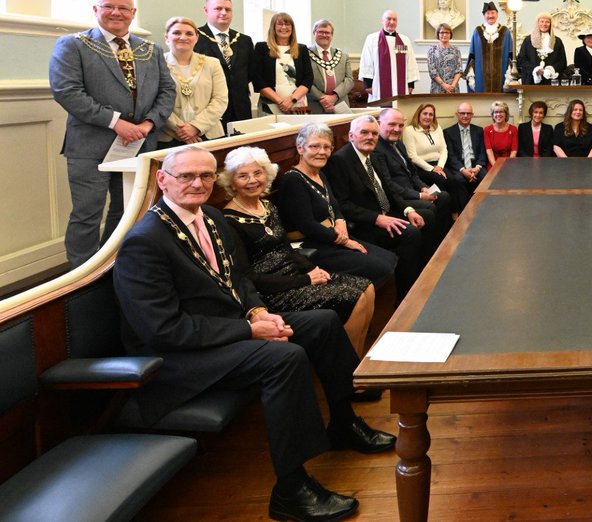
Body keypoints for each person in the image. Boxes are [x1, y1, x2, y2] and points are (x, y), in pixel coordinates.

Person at [113, 146, 394, 522]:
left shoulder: (210, 217)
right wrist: (248, 328)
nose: (198, 183)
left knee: (323, 321)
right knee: (284, 357)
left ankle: (344, 422)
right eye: (186, 176)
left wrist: (258, 310)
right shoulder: (145, 240)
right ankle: (291, 489)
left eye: (206, 176)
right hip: (177, 357)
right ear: (162, 179)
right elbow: (161, 329)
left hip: (227, 328)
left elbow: (239, 278)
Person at [49, 0, 175, 267]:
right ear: (96, 10)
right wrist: (116, 122)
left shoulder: (150, 49)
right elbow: (66, 91)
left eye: (123, 8)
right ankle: (81, 277)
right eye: (108, 7)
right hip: (90, 145)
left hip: (139, 143)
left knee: (128, 210)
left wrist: (148, 123)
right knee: (87, 213)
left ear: (133, 14)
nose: (116, 12)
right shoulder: (74, 45)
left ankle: (114, 266)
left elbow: (167, 90)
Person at [219, 146, 375, 357]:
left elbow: (285, 248)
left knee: (368, 288)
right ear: (231, 182)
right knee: (354, 297)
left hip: (295, 275)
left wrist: (313, 269)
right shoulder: (228, 221)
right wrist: (306, 280)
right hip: (270, 291)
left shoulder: (268, 206)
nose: (252, 180)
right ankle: (350, 364)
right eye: (243, 176)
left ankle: (354, 356)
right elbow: (247, 278)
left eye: (258, 173)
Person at [276, 123, 398, 284]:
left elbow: (334, 205)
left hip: (332, 235)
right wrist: (345, 241)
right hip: (311, 244)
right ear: (300, 148)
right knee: (381, 267)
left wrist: (340, 220)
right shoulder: (293, 180)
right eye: (314, 146)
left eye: (327, 147)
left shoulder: (320, 173)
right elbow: (307, 225)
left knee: (390, 258)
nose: (321, 152)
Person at [326, 115, 427, 300]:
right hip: (363, 225)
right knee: (410, 234)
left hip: (383, 211)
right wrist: (378, 218)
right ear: (351, 136)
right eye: (364, 132)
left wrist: (408, 210)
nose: (370, 137)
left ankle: (422, 275)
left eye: (374, 133)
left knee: (424, 215)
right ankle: (407, 297)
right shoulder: (340, 160)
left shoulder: (373, 156)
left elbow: (388, 190)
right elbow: (342, 204)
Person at [376, 108, 453, 246]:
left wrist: (423, 187)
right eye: (392, 124)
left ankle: (442, 240)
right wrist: (419, 195)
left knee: (444, 196)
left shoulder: (398, 143)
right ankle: (431, 247)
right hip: (400, 197)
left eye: (400, 125)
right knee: (429, 209)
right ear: (379, 123)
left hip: (414, 189)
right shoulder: (377, 149)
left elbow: (412, 172)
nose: (397, 129)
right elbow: (388, 185)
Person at [159, 16, 228, 148]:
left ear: (196, 38)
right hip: (169, 136)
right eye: (176, 33)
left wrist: (196, 126)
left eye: (189, 33)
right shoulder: (156, 63)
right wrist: (180, 130)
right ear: (167, 37)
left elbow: (220, 99)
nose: (183, 37)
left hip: (208, 134)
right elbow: (154, 101)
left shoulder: (212, 63)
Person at [194, 0, 253, 127]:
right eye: (218, 8)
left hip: (240, 106)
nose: (224, 13)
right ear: (206, 10)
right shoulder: (195, 38)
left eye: (228, 9)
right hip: (209, 108)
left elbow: (249, 73)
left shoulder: (244, 40)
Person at [402, 102, 466, 211]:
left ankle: (456, 211)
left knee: (454, 179)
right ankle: (439, 208)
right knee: (440, 179)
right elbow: (412, 156)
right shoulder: (409, 130)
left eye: (431, 114)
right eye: (425, 113)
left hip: (439, 164)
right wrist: (432, 169)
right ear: (419, 114)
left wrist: (439, 166)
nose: (428, 117)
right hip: (421, 167)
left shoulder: (437, 128)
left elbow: (443, 150)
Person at [251, 12, 313, 116]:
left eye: (288, 24)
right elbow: (258, 79)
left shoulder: (301, 49)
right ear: (273, 27)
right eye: (279, 24)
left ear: (292, 28)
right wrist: (280, 102)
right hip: (270, 104)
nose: (284, 27)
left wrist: (292, 100)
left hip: (298, 104)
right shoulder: (262, 47)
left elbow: (308, 78)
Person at [360, 9, 418, 101]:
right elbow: (367, 62)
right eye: (388, 19)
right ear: (382, 20)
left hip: (400, 87)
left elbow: (410, 62)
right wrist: (368, 85)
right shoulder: (372, 39)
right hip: (378, 87)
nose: (391, 22)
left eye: (394, 19)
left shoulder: (404, 40)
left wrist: (410, 84)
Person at [305, 20, 355, 114]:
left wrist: (334, 97)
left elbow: (349, 80)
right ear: (314, 33)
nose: (324, 35)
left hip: (340, 103)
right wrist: (324, 99)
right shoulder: (305, 54)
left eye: (327, 32)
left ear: (332, 35)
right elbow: (305, 80)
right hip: (315, 105)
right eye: (320, 32)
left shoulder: (343, 56)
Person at [465, 1, 513, 93]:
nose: (490, 16)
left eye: (493, 13)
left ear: (497, 14)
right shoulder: (478, 31)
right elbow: (472, 56)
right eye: (487, 13)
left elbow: (510, 55)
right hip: (480, 78)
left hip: (501, 77)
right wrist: (471, 77)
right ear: (484, 15)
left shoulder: (505, 31)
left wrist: (509, 78)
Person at [445, 102, 489, 201]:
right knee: (459, 179)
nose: (465, 116)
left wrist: (477, 168)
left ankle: (481, 209)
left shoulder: (479, 130)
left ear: (472, 115)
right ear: (457, 114)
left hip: (476, 165)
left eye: (468, 113)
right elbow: (451, 156)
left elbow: (483, 152)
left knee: (485, 177)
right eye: (462, 113)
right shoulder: (448, 132)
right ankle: (464, 212)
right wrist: (463, 170)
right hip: (459, 166)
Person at [516, 11, 568, 85]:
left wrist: (550, 69)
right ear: (537, 23)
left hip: (551, 80)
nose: (544, 24)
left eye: (547, 22)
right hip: (531, 80)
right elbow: (521, 60)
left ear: (550, 24)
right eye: (542, 21)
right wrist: (535, 69)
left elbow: (562, 62)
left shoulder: (557, 41)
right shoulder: (528, 40)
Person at [427, 22, 464, 94]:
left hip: (453, 88)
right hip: (437, 88)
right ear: (438, 34)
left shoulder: (456, 50)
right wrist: (444, 85)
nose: (444, 35)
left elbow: (459, 70)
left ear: (450, 34)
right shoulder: (432, 50)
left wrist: (452, 86)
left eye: (447, 32)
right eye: (442, 32)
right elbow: (432, 71)